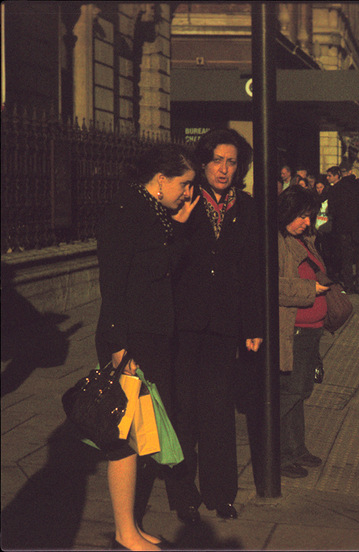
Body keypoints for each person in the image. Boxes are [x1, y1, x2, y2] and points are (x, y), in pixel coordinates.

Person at [95, 143, 199, 550]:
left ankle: (132, 527)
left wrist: (180, 225)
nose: (187, 193)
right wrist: (119, 346)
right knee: (124, 439)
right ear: (161, 180)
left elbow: (156, 265)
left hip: (147, 338)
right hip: (130, 341)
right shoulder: (127, 211)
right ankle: (124, 532)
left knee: (139, 436)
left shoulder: (150, 212)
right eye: (184, 184)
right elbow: (114, 282)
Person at [167, 128, 264, 523]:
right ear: (203, 162)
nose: (224, 169)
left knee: (219, 410)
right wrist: (178, 223)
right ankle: (183, 494)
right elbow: (167, 259)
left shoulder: (248, 206)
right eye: (217, 161)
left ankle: (221, 492)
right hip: (184, 322)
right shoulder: (185, 199)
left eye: (232, 162)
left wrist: (254, 324)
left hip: (226, 323)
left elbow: (255, 267)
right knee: (183, 410)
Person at [277, 185, 330, 478]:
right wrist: (311, 289)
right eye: (302, 216)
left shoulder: (304, 240)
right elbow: (273, 285)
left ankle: (297, 448)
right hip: (293, 331)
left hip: (311, 330)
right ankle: (279, 454)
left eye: (310, 217)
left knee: (301, 391)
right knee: (291, 392)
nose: (307, 222)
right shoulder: (277, 242)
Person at [327, 162, 359, 294]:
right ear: (351, 172)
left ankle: (347, 284)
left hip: (344, 228)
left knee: (346, 257)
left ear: (340, 174)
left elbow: (332, 210)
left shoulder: (336, 188)